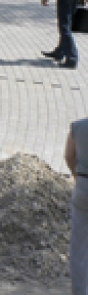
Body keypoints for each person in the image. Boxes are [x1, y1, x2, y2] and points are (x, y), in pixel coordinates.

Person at [65, 117, 88, 294]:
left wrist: (76, 176)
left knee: (79, 245)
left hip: (83, 185)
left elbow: (68, 156)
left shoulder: (78, 127)